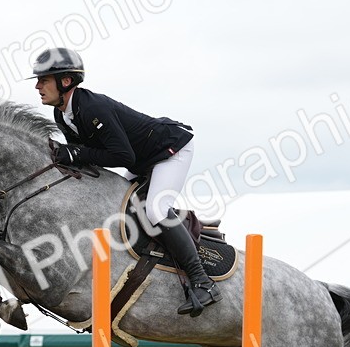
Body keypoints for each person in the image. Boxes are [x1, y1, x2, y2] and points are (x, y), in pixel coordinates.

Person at [31, 47, 220, 316]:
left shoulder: (92, 107)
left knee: (155, 208)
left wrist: (76, 153)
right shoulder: (62, 114)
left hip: (170, 150)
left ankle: (203, 281)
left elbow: (121, 155)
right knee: (116, 206)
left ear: (66, 81)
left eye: (43, 80)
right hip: (141, 161)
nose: (37, 86)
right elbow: (88, 157)